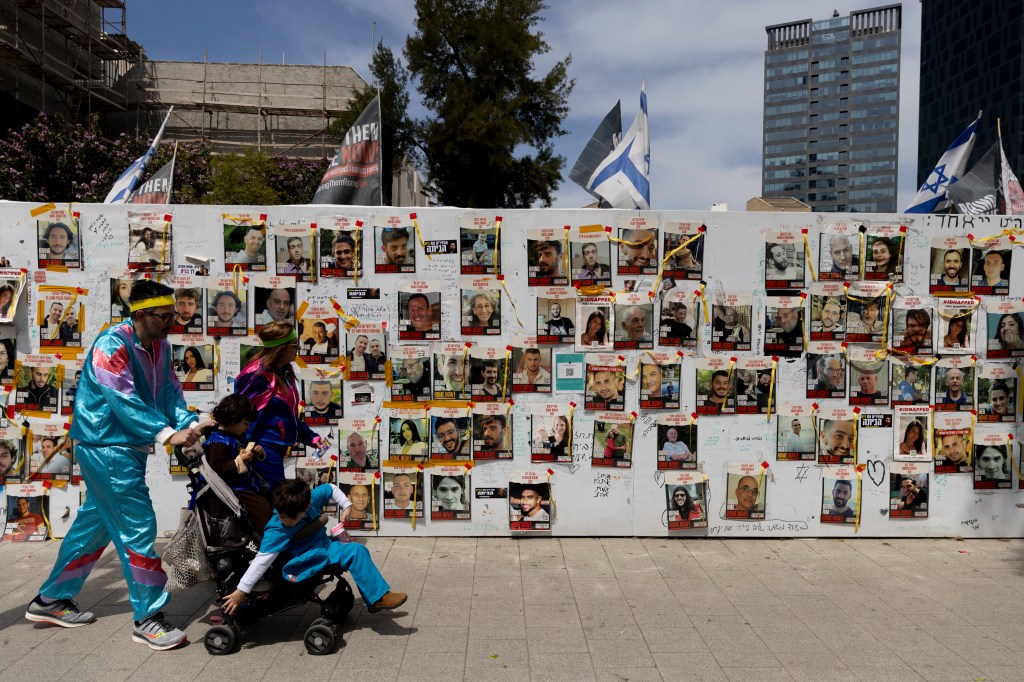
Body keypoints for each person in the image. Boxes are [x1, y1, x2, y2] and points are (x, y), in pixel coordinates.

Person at [25, 280, 212, 650]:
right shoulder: (111, 345)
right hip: (106, 445)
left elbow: (170, 392)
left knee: (94, 526)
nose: (174, 322)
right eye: (166, 316)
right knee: (137, 526)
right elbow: (122, 399)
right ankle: (148, 617)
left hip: (125, 447)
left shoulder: (159, 345)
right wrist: (164, 433)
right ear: (141, 315)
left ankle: (51, 599)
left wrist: (189, 423)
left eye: (175, 314)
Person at [221, 480, 406, 616]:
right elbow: (261, 561)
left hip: (323, 546)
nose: (286, 521)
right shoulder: (277, 528)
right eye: (282, 515)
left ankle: (377, 598)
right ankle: (376, 596)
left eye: (292, 518)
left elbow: (330, 488)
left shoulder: (311, 500)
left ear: (306, 506)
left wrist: (347, 505)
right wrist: (241, 591)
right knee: (348, 551)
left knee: (358, 551)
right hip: (301, 560)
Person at [235, 321, 327, 492]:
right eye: (294, 344)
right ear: (280, 348)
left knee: (276, 503)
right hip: (261, 450)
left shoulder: (284, 371)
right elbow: (242, 415)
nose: (298, 348)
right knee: (274, 504)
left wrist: (311, 437)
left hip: (276, 448)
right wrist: (244, 450)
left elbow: (287, 416)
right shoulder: (258, 375)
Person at [201, 394, 270, 536]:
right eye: (246, 423)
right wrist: (239, 461)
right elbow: (217, 470)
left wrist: (256, 454)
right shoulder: (217, 442)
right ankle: (267, 545)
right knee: (261, 509)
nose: (247, 427)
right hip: (233, 489)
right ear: (233, 419)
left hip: (245, 485)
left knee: (271, 499)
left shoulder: (233, 437)